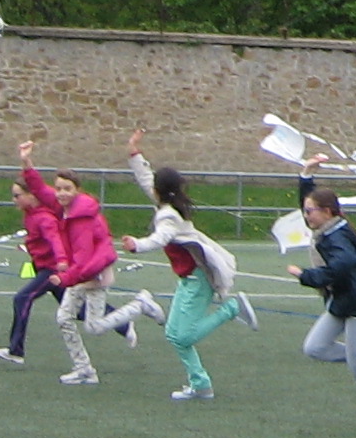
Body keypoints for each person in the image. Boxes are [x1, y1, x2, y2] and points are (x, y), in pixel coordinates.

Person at [104, 140, 255, 399]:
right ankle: (201, 384)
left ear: (160, 191)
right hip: (188, 279)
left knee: (182, 337)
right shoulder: (167, 206)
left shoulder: (168, 216)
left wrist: (137, 245)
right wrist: (134, 155)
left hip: (198, 279)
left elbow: (160, 238)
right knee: (174, 335)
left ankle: (231, 309)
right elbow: (145, 179)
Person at [286, 185, 356, 424]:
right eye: (305, 211)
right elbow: (312, 203)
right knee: (314, 347)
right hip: (340, 302)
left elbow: (342, 265)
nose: (306, 216)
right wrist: (306, 174)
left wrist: (306, 276)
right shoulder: (330, 227)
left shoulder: (336, 236)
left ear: (327, 211)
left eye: (309, 212)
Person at [17, 144, 121, 388]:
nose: (61, 193)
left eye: (67, 189)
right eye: (59, 188)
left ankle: (141, 305)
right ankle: (84, 369)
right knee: (65, 318)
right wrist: (26, 162)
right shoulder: (63, 206)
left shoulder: (82, 218)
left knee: (93, 326)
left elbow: (85, 260)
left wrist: (64, 278)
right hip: (79, 272)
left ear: (78, 191)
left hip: (94, 273)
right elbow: (40, 189)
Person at [0, 175, 66, 367]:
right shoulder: (31, 215)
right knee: (80, 311)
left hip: (51, 270)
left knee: (22, 298)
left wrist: (61, 261)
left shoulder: (44, 218)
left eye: (17, 196)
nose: (14, 200)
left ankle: (16, 351)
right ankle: (124, 323)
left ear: (31, 196)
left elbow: (55, 240)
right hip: (44, 267)